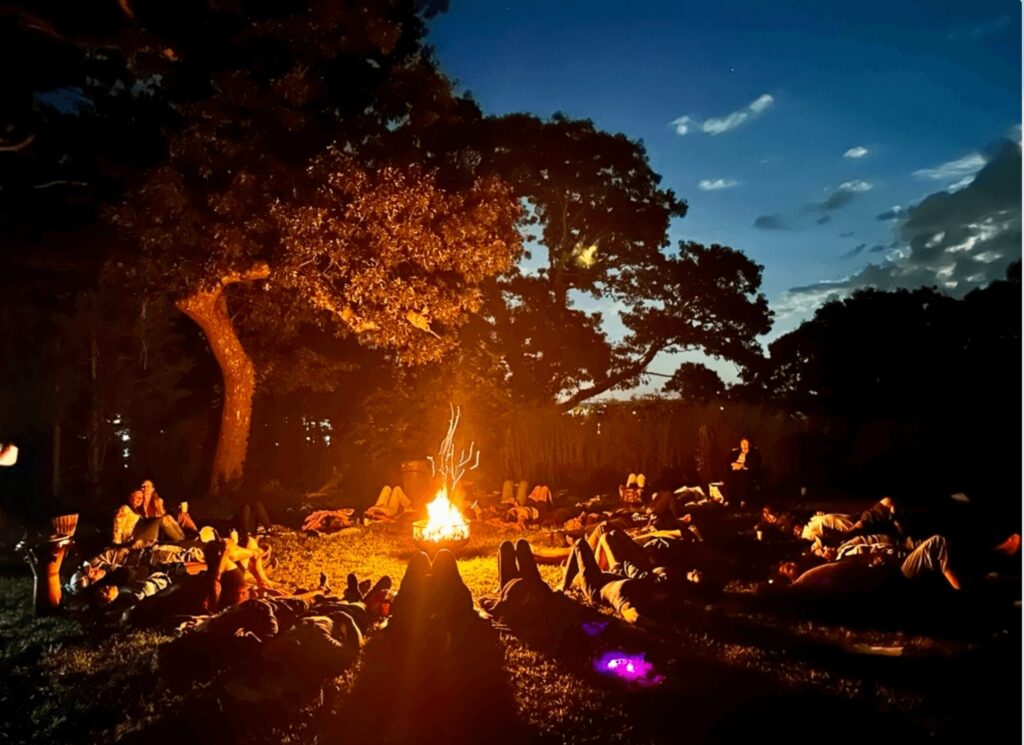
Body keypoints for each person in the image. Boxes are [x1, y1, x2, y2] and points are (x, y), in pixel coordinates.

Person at [113, 489, 186, 546]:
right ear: (130, 497)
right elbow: (117, 525)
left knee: (167, 517)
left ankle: (182, 537)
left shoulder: (137, 511)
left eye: (141, 499)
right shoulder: (124, 508)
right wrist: (117, 543)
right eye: (137, 498)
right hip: (132, 539)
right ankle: (181, 541)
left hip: (140, 534)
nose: (139, 500)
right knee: (161, 520)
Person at [726, 437, 762, 504]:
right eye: (742, 444)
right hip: (735, 469)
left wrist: (742, 466)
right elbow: (729, 460)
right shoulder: (736, 452)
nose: (744, 445)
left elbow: (754, 463)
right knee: (729, 477)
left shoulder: (754, 452)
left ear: (749, 444)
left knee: (742, 477)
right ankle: (729, 500)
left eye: (746, 444)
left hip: (746, 471)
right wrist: (733, 464)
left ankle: (743, 499)